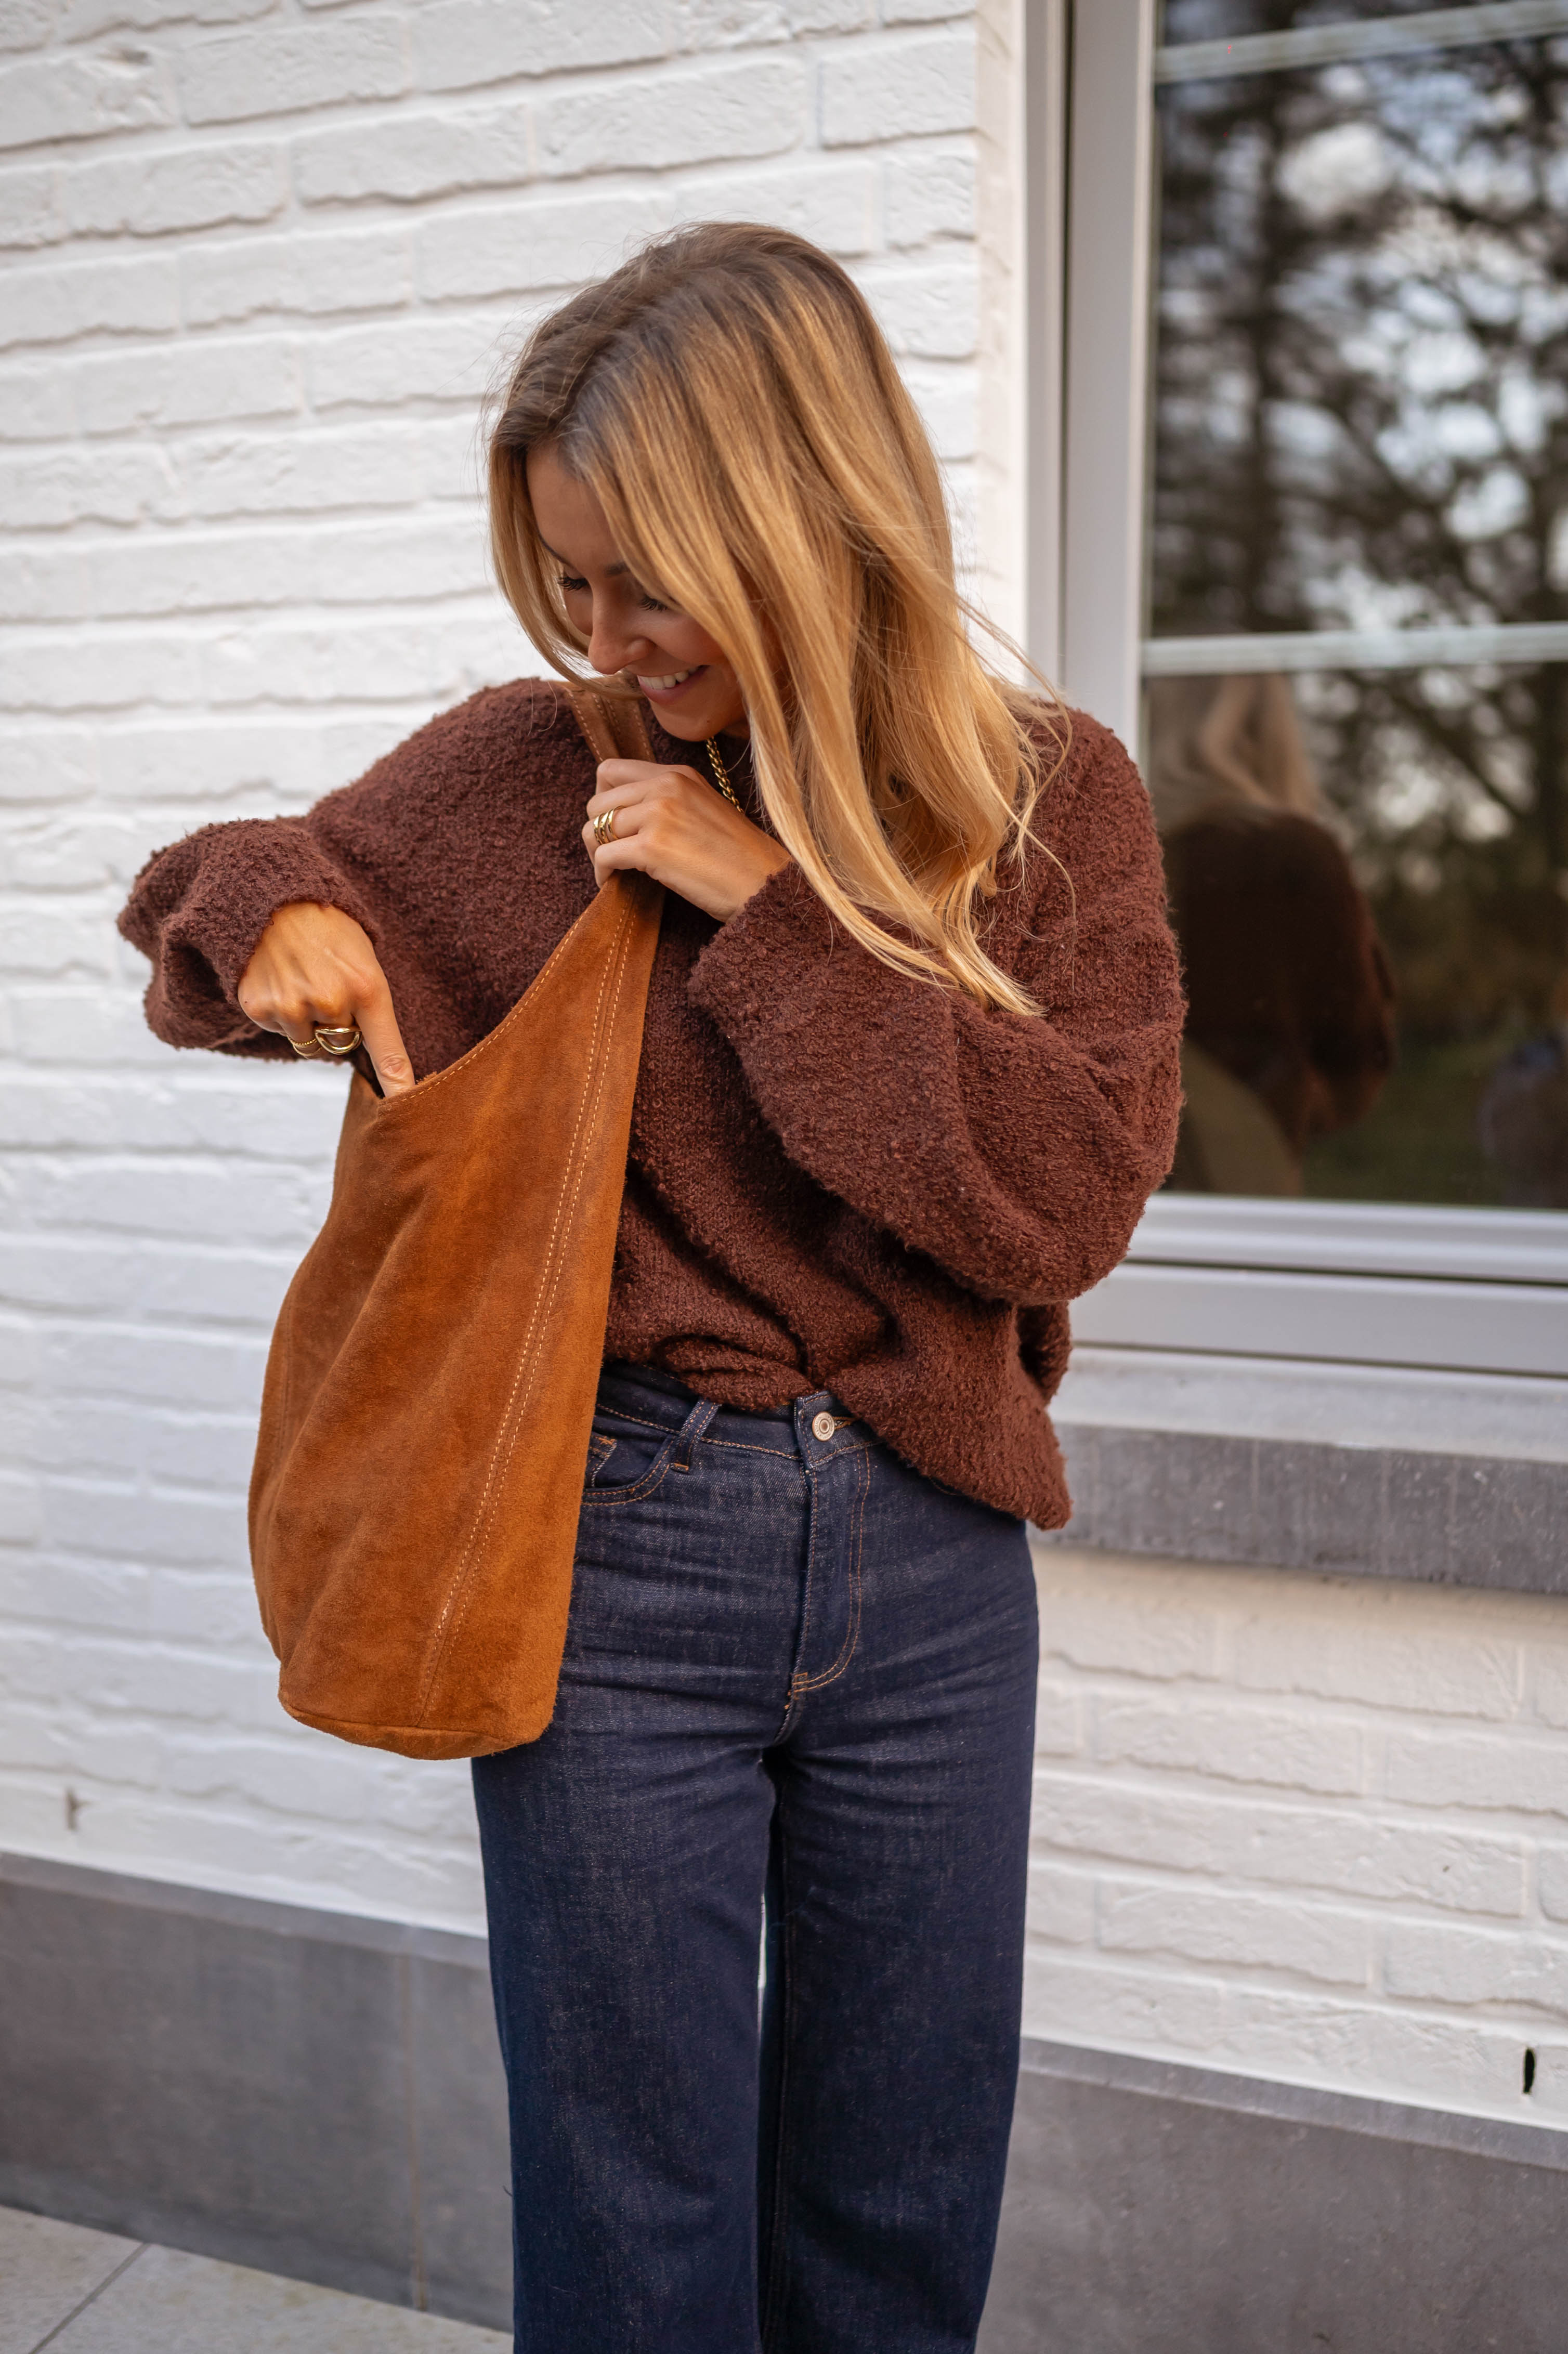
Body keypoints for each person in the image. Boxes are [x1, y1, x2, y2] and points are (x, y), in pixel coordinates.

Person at [119, 223, 1182, 2354]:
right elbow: (225, 873)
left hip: (935, 1558)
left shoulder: (1038, 804)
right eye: (569, 582)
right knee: (630, 2218)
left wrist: (765, 903)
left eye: (643, 579)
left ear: (802, 517)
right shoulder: (543, 771)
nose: (605, 633)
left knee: (897, 2192)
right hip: (621, 1551)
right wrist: (272, 925)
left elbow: (1055, 1198)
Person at [1146, 672, 1395, 1195]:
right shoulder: (1288, 855)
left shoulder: (1106, 851)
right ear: (1270, 729)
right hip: (1239, 1188)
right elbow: (1356, 1057)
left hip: (1112, 1190)